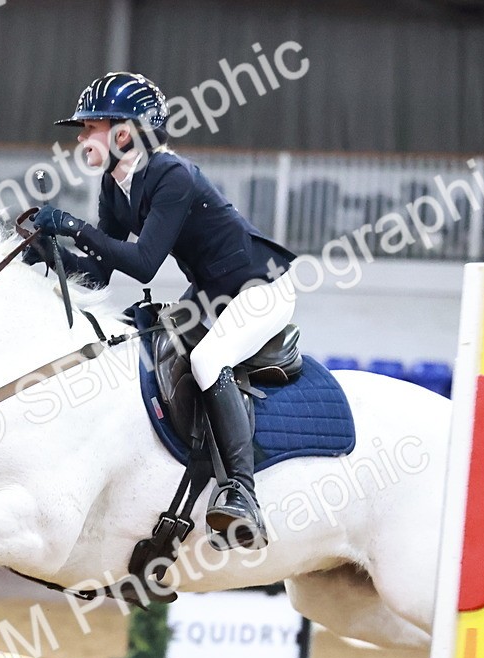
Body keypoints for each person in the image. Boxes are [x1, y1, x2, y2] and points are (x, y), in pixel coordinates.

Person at [28, 71, 298, 550]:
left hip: (260, 288)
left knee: (207, 361)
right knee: (139, 336)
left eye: (90, 127)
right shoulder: (115, 185)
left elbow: (145, 265)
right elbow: (100, 273)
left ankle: (242, 493)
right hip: (212, 292)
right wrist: (50, 254)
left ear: (125, 133)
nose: (82, 137)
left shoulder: (172, 175)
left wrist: (72, 225)